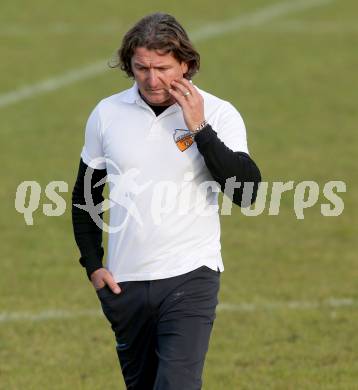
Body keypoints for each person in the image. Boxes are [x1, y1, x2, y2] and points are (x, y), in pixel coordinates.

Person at [72, 12, 261, 390]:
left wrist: (199, 128)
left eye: (162, 67)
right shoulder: (107, 114)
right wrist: (93, 264)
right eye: (141, 67)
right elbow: (85, 196)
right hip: (124, 285)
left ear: (186, 65)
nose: (152, 79)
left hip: (191, 275)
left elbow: (247, 192)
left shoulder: (219, 113)